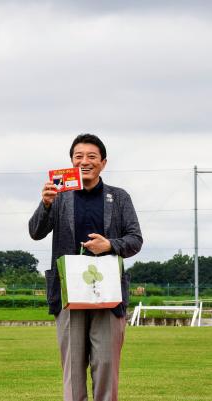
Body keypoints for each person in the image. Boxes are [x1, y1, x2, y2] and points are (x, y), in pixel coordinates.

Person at [29, 134, 143, 401]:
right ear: (71, 162)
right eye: (78, 156)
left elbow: (135, 240)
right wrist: (45, 204)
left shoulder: (120, 197)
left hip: (108, 295)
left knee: (106, 366)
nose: (85, 161)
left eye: (92, 156)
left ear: (103, 162)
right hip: (70, 295)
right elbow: (35, 231)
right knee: (73, 371)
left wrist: (110, 245)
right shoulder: (59, 196)